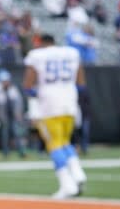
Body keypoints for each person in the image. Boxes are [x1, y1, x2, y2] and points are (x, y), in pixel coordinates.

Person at [23, 34, 87, 198]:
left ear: (42, 43)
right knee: (65, 141)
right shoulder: (71, 53)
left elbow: (28, 86)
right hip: (70, 103)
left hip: (50, 105)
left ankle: (67, 185)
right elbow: (81, 83)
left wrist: (37, 92)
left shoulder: (36, 56)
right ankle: (78, 172)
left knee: (54, 144)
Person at [0, 69, 26, 157]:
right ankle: (5, 153)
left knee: (18, 134)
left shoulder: (14, 90)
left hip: (14, 117)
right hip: (4, 118)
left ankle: (21, 152)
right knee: (5, 136)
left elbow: (19, 104)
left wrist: (19, 115)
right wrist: (0, 117)